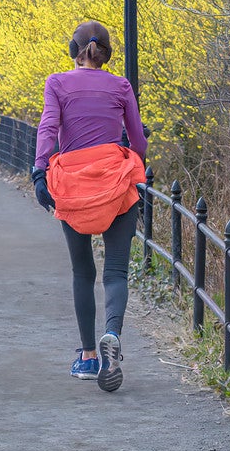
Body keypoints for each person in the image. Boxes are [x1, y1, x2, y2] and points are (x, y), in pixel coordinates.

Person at [32, 20, 147, 393]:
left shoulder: (58, 83)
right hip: (115, 182)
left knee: (83, 272)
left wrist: (39, 170)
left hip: (74, 185)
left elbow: (48, 127)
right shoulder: (121, 85)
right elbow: (139, 139)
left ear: (73, 49)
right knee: (115, 272)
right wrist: (137, 163)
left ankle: (87, 357)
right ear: (106, 53)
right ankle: (111, 334)